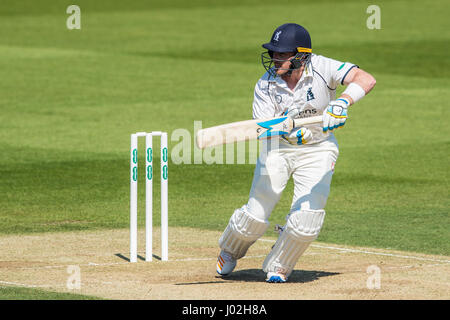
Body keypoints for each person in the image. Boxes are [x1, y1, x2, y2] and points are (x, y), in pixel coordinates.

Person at [216, 23, 376, 282]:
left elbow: (366, 79)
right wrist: (288, 133)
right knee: (256, 213)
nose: (275, 58)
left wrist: (342, 103)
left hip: (319, 149)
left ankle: (279, 264)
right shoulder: (265, 85)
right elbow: (262, 128)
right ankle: (230, 249)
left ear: (301, 56)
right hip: (278, 148)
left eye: (282, 54)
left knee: (306, 220)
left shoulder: (323, 67)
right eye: (274, 53)